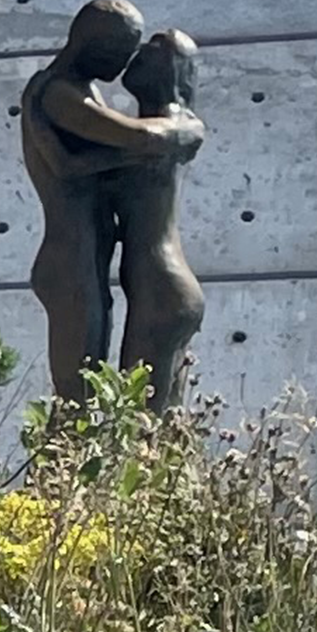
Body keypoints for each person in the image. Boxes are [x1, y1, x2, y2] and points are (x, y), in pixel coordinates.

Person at [20, 0, 205, 406]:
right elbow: (126, 143)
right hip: (71, 260)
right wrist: (179, 135)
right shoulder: (59, 94)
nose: (125, 63)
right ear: (94, 44)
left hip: (99, 266)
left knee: (129, 407)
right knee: (77, 401)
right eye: (122, 50)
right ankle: (63, 468)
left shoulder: (85, 93)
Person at [108, 30, 205, 410]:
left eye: (154, 49)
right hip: (156, 287)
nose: (139, 54)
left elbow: (161, 139)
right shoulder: (141, 126)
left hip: (163, 287)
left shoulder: (173, 123)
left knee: (142, 414)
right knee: (157, 412)